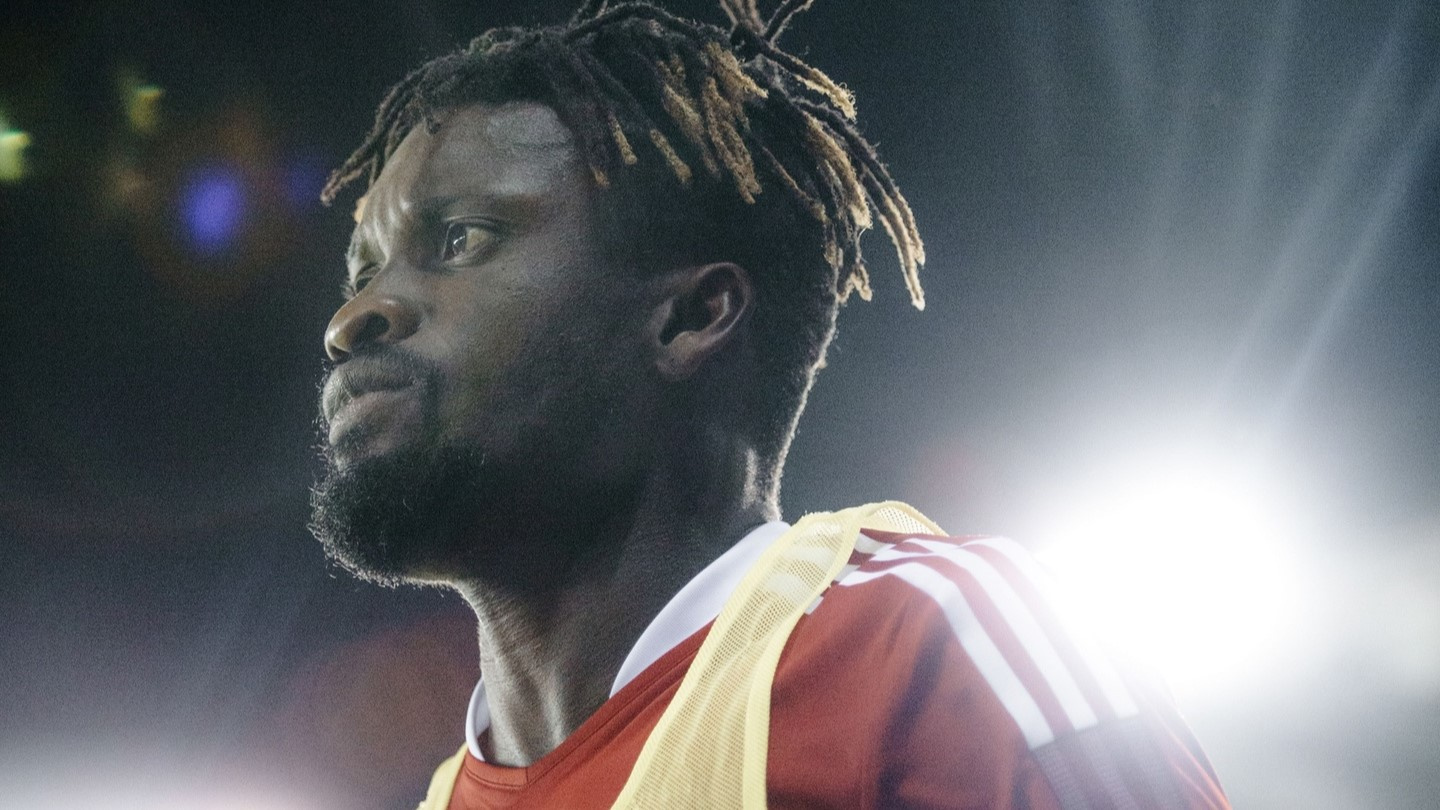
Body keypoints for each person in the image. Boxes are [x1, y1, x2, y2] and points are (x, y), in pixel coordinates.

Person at [308, 1, 1232, 807]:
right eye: (362, 273)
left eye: (460, 239)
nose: (353, 319)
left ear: (691, 317)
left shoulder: (930, 644)